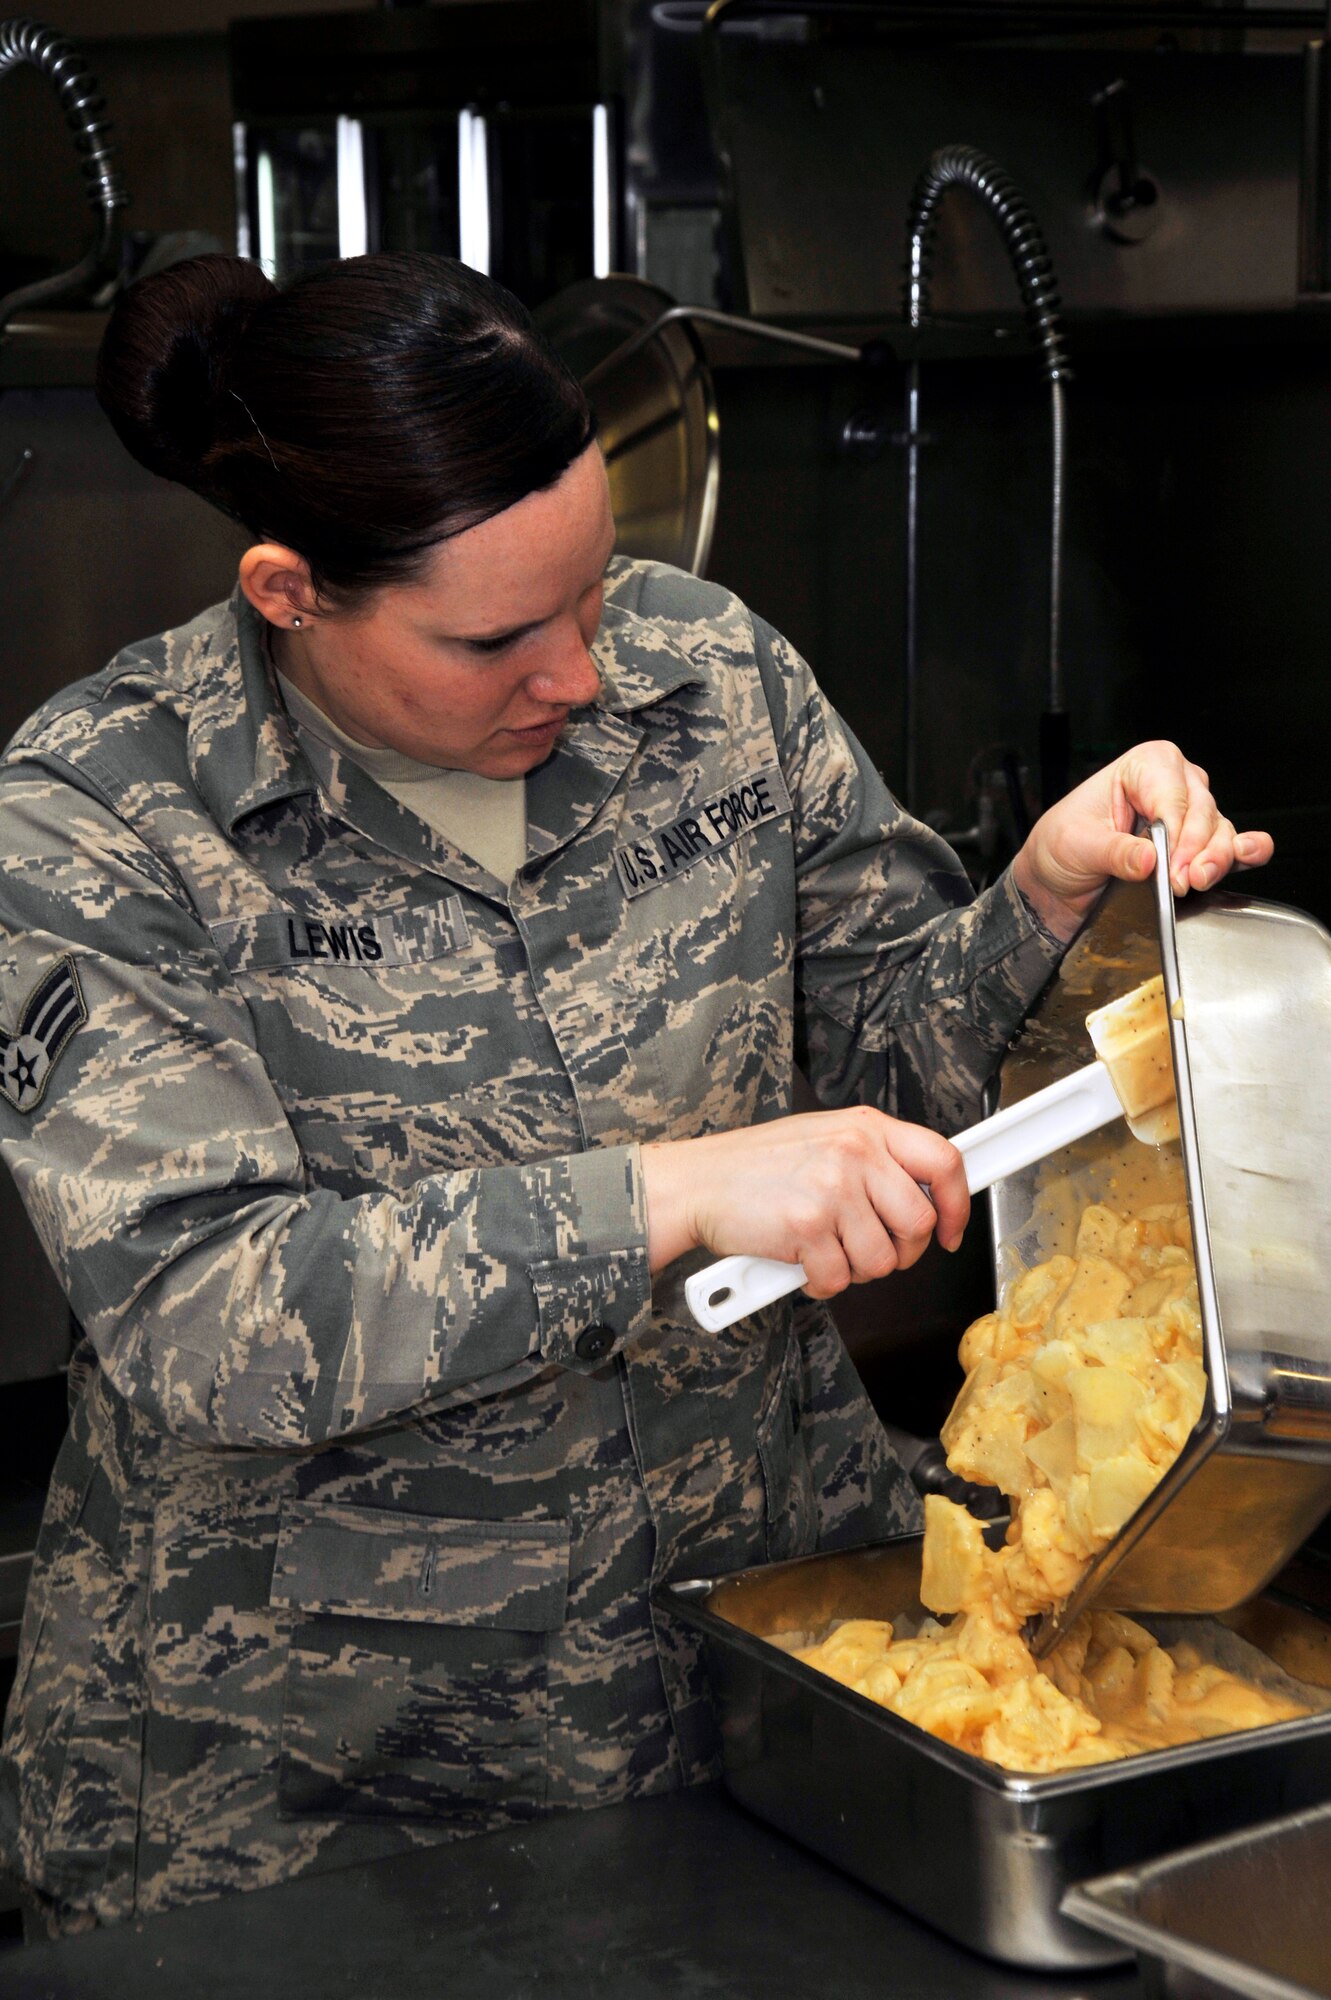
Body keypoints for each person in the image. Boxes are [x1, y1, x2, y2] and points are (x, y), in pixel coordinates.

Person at [0, 252, 1269, 1937]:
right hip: (329, 1790)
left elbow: (894, 1083)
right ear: (292, 592)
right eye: (496, 637)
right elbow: (204, 1308)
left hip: (765, 1679)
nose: (583, 673)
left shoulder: (709, 677)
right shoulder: (102, 814)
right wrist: (675, 1191)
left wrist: (1041, 896)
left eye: (594, 588)